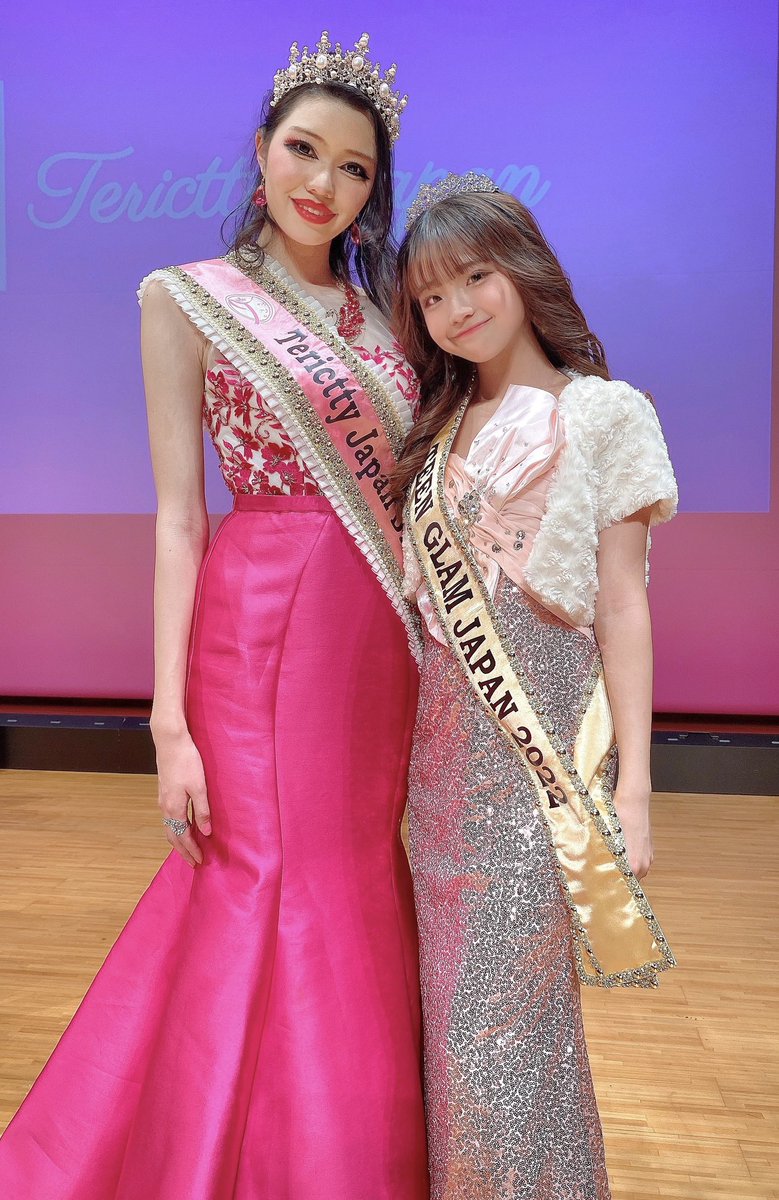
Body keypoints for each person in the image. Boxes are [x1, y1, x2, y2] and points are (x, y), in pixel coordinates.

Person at [0, 33, 429, 1199]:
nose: (322, 182)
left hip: (375, 644)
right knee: (262, 872)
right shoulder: (186, 297)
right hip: (261, 625)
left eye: (352, 167)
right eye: (303, 149)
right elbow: (179, 519)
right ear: (259, 149)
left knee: (351, 871)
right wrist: (168, 722)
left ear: (372, 188)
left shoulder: (391, 314)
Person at [391, 173, 678, 1199]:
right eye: (431, 296)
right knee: (469, 1034)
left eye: (474, 277)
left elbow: (623, 608)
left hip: (537, 778)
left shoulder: (601, 414)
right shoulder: (434, 431)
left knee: (496, 1034)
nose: (456, 308)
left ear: (521, 268)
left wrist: (632, 789)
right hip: (435, 788)